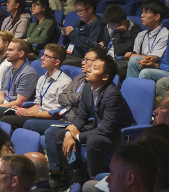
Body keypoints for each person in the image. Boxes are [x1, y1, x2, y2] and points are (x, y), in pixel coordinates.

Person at [54, 51, 133, 184]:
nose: (89, 69)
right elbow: (81, 115)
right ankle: (76, 178)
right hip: (101, 132)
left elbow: (106, 129)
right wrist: (69, 132)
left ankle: (94, 180)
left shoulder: (112, 94)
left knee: (93, 139)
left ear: (105, 77)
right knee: (59, 135)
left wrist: (77, 136)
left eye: (95, 68)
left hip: (117, 138)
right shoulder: (87, 89)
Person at [61, 0, 109, 66]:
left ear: (90, 10)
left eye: (80, 11)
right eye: (77, 11)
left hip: (81, 58)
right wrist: (66, 34)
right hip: (69, 54)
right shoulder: (79, 23)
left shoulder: (98, 25)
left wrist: (72, 34)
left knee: (57, 63)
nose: (78, 14)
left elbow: (90, 46)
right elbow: (69, 41)